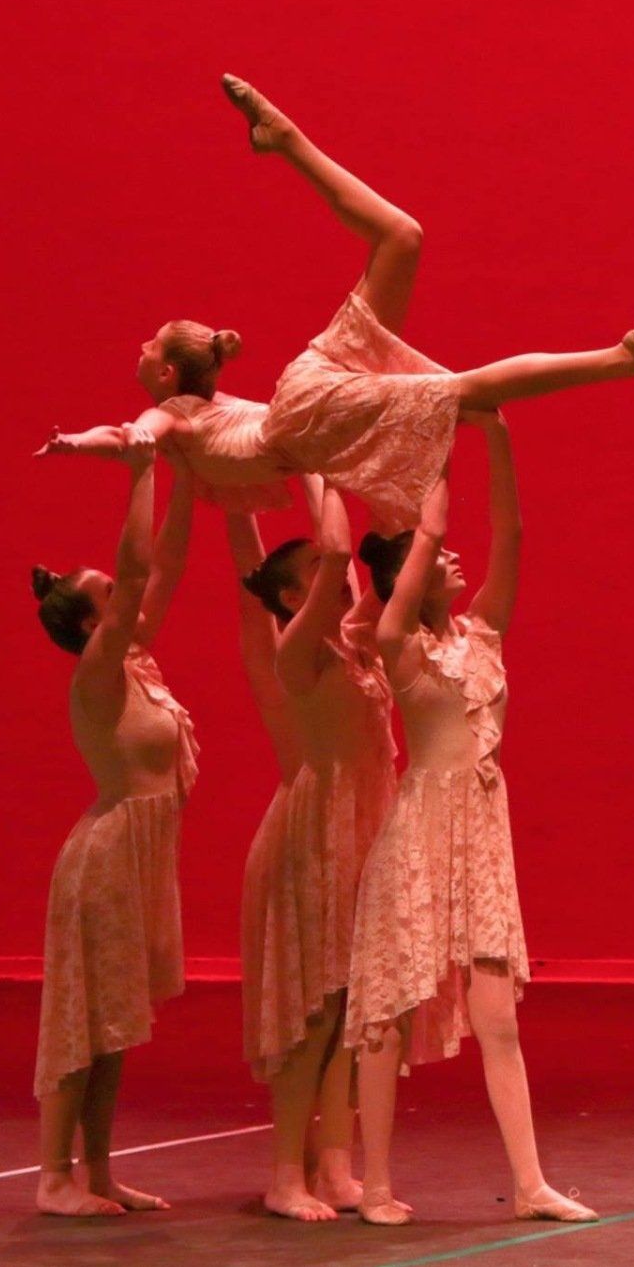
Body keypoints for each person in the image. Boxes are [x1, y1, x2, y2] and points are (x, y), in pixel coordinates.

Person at [37, 76, 634, 531]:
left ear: (166, 378)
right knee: (402, 238)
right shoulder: (204, 412)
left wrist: (89, 444)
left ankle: (624, 359)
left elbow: (138, 434)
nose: (140, 350)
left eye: (149, 348)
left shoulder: (172, 417)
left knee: (463, 387)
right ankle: (286, 141)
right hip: (308, 397)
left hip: (305, 416)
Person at [346, 416, 598, 1225]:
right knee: (385, 1013)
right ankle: (377, 1185)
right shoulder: (403, 650)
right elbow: (389, 618)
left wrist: (494, 439)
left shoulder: (483, 633)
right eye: (435, 557)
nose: (454, 558)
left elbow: (515, 531)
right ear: (410, 578)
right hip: (420, 836)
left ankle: (530, 1185)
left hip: (483, 839)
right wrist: (426, 525)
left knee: (499, 1019)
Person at [28, 433, 198, 1216]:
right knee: (82, 1022)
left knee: (116, 1024)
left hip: (139, 860)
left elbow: (158, 571)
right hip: (104, 861)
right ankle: (54, 1178)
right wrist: (141, 471)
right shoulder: (99, 673)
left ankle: (97, 1170)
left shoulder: (136, 661)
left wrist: (195, 481)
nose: (124, 599)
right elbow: (135, 574)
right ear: (90, 621)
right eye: (107, 596)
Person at [234, 484, 397, 1219]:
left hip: (365, 825)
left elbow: (352, 566)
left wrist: (329, 481)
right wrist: (322, 467)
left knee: (350, 1009)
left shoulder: (354, 639)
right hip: (319, 830)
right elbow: (338, 553)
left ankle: (334, 1163)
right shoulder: (298, 649)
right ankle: (284, 1175)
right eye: (324, 576)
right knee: (313, 1008)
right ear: (299, 591)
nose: (344, 580)